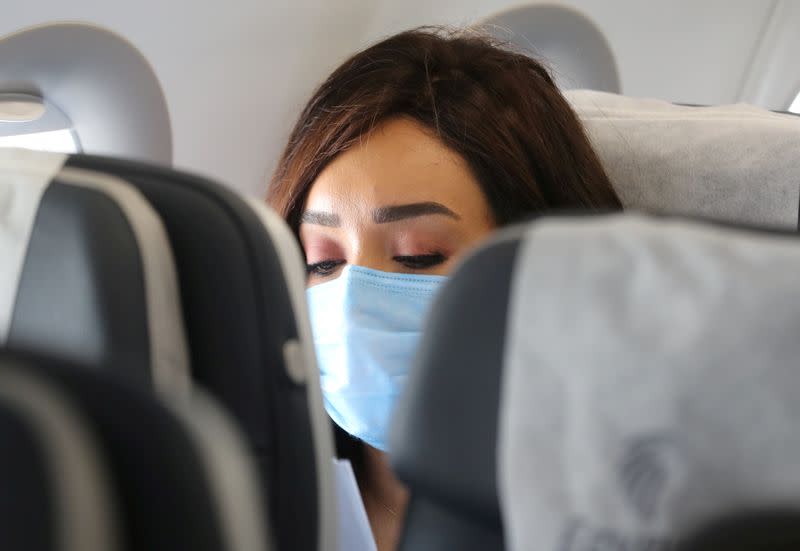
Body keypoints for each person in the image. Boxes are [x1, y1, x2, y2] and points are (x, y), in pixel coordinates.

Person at [267, 26, 622, 551]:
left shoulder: (618, 516)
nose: (352, 306)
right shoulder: (258, 493)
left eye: (417, 256)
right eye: (323, 262)